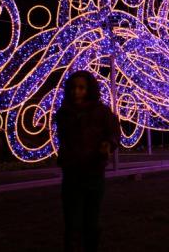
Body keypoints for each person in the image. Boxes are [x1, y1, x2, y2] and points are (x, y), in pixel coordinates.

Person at [55, 70, 119, 252]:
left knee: (91, 221)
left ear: (89, 89)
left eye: (81, 88)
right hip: (72, 173)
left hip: (93, 172)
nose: (77, 92)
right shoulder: (64, 114)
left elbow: (113, 133)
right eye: (74, 88)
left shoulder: (102, 112)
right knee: (72, 222)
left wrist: (107, 145)